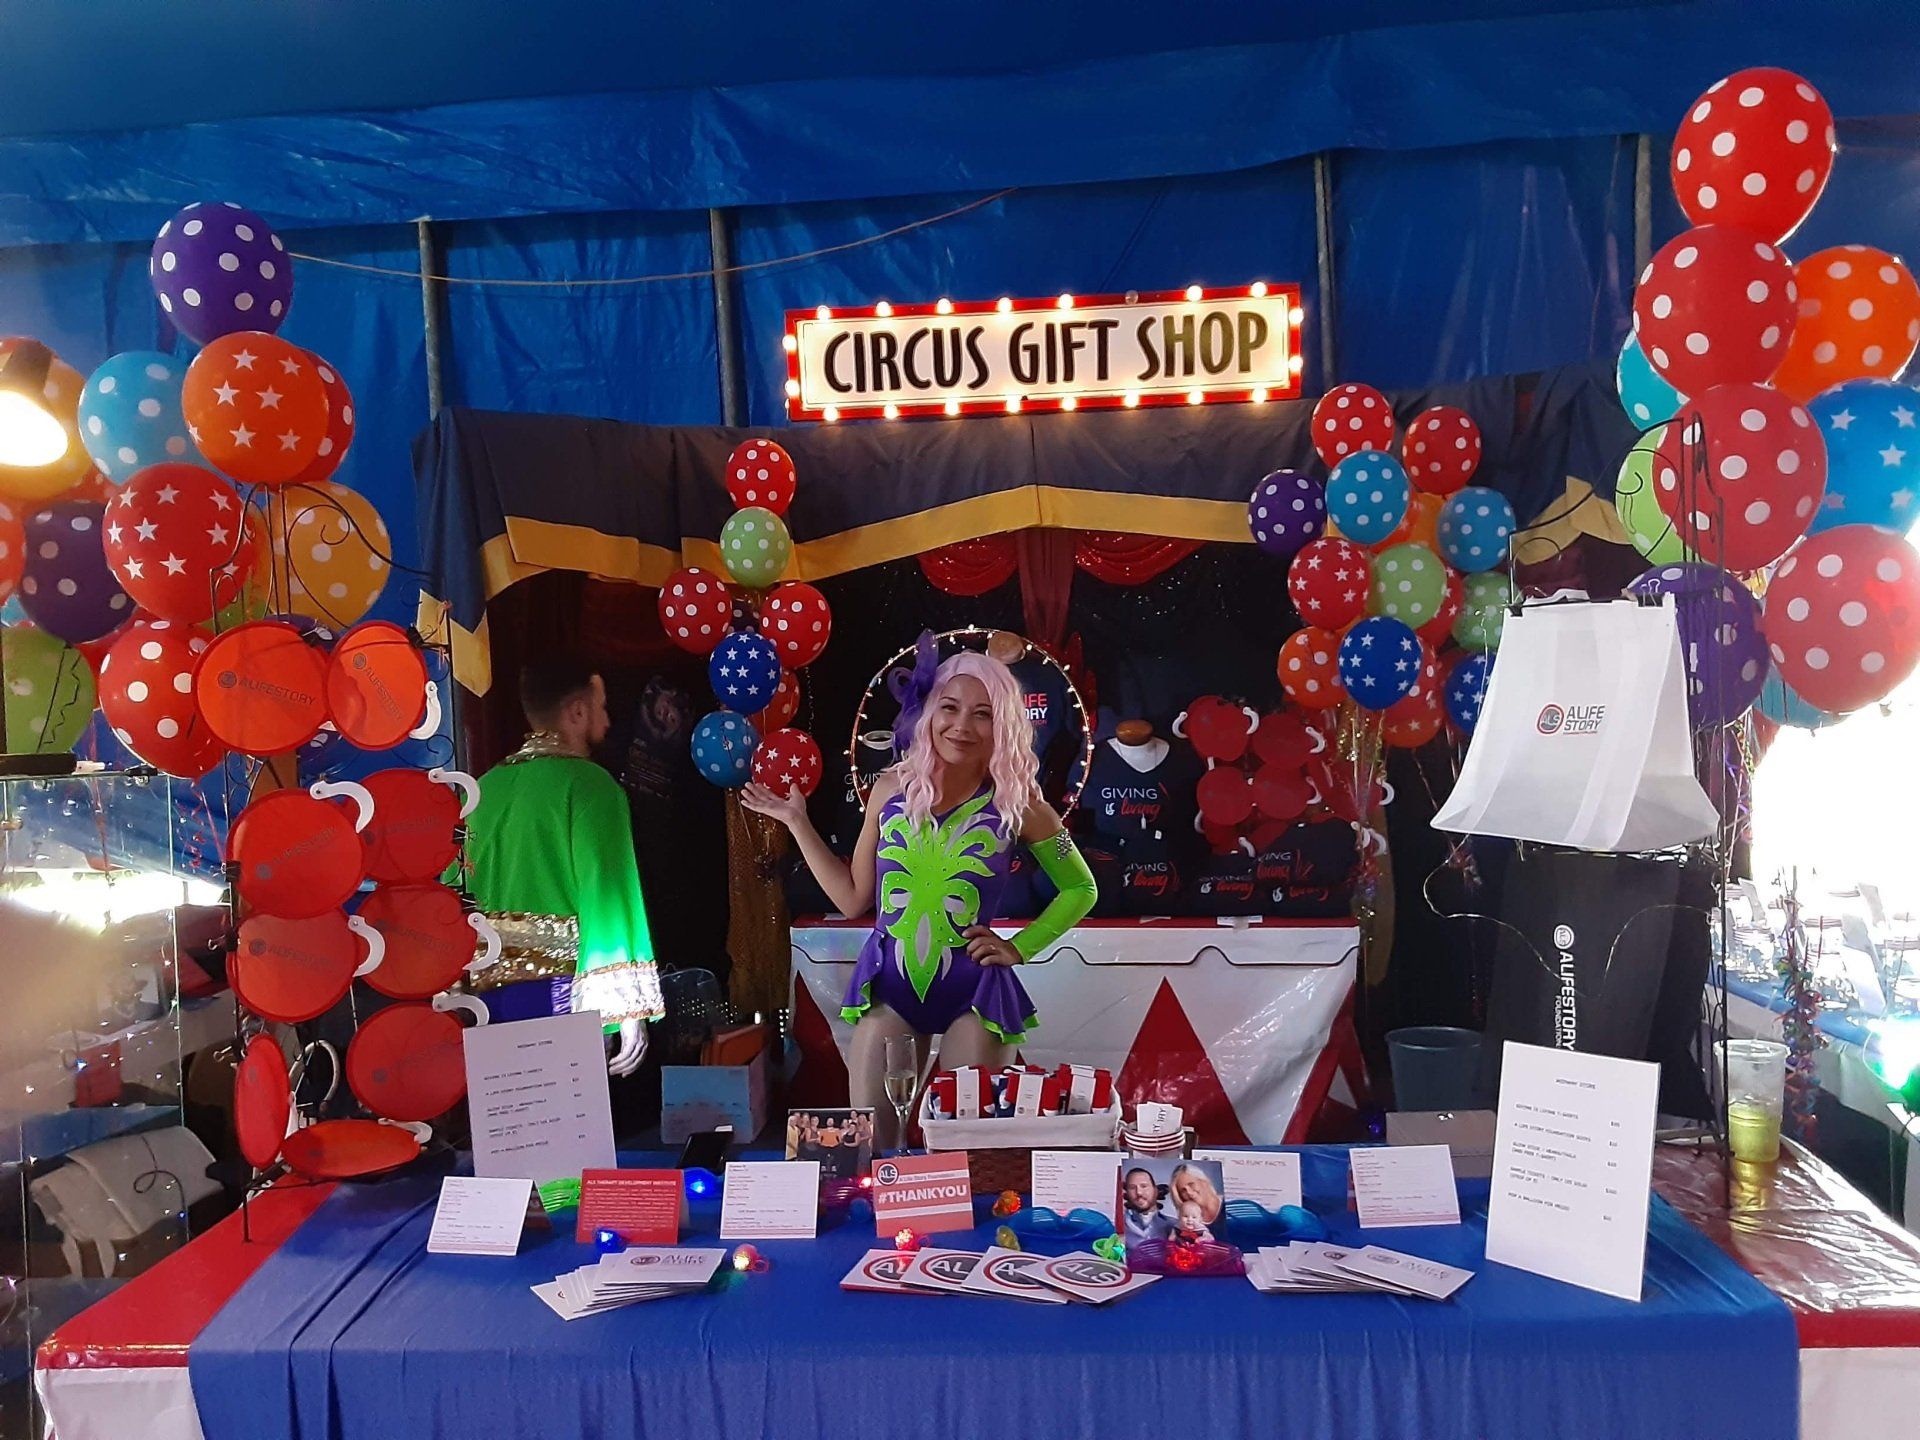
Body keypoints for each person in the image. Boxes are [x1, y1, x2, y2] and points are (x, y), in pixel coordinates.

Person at [743, 642, 1098, 1147]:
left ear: (1003, 727)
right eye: (950, 708)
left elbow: (1081, 887)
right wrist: (798, 823)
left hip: (973, 996)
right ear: (930, 712)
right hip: (891, 991)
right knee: (872, 1148)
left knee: (961, 1148)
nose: (962, 726)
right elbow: (850, 898)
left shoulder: (1022, 803)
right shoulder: (891, 789)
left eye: (983, 714)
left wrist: (1020, 947)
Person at [458, 658, 664, 1076]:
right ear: (578, 711)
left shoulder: (482, 791)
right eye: (602, 707)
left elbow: (452, 892)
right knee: (570, 1131)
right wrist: (623, 1008)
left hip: (484, 1002)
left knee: (510, 1130)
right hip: (563, 999)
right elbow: (607, 895)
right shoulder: (591, 787)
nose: (607, 721)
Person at [1123, 1167, 1172, 1244]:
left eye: (1144, 1186)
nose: (1139, 1192)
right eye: (1132, 1188)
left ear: (1155, 1191)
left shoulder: (1174, 1225)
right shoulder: (1120, 1225)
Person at [1169, 1162, 1225, 1227]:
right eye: (1183, 1190)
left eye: (1191, 1184)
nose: (1189, 1192)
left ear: (1203, 1182)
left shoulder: (1227, 1204)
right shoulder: (1188, 1224)